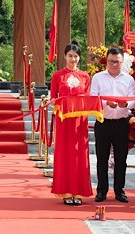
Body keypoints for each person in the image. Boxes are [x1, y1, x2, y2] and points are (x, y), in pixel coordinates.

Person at [89, 46, 135, 203]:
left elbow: (133, 100)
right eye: (111, 61)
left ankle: (119, 190)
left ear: (122, 62)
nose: (114, 64)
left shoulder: (129, 79)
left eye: (117, 61)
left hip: (122, 122)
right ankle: (101, 190)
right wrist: (106, 102)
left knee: (121, 158)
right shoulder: (98, 78)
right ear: (106, 62)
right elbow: (93, 98)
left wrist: (126, 105)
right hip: (103, 122)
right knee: (102, 157)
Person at [49, 41, 92, 205]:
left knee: (79, 153)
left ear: (79, 58)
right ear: (65, 57)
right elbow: (53, 98)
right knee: (65, 153)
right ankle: (66, 191)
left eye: (76, 56)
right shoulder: (57, 76)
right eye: (70, 56)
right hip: (64, 119)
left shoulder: (85, 76)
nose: (73, 59)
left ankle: (79, 191)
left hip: (80, 120)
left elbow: (88, 98)